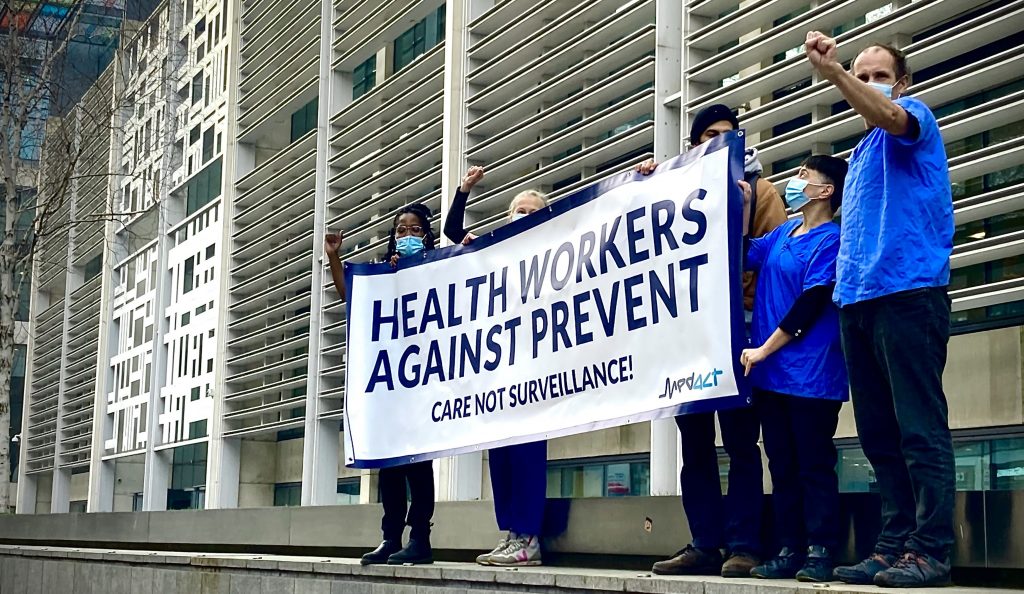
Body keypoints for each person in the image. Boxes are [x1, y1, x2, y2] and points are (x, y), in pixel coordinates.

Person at [805, 33, 955, 588]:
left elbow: (891, 116)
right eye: (860, 75)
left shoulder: (913, 117)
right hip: (859, 302)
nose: (867, 83)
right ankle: (894, 545)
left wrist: (836, 74)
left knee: (919, 427)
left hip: (909, 293)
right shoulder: (861, 153)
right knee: (877, 433)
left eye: (877, 75)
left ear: (903, 82)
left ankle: (932, 548)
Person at [640, 104, 788, 577]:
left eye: (726, 134)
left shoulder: (761, 192)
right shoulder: (675, 190)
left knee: (743, 442)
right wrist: (647, 183)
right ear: (693, 145)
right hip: (689, 336)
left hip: (739, 331)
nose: (717, 142)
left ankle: (744, 543)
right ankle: (704, 541)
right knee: (695, 444)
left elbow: (773, 259)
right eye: (707, 135)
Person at [739, 155, 849, 583]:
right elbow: (743, 254)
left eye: (805, 175)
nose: (795, 180)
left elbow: (812, 302)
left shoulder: (830, 240)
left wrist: (765, 348)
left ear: (825, 192)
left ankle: (821, 547)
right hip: (771, 376)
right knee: (781, 463)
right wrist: (742, 202)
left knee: (813, 462)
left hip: (810, 376)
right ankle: (790, 547)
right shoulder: (783, 232)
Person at [443, 165, 548, 567]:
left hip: (538, 370)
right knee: (501, 454)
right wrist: (463, 191)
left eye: (531, 210)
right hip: (500, 372)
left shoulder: (559, 246)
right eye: (517, 210)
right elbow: (455, 234)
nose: (522, 215)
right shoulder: (496, 252)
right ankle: (511, 534)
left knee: (526, 453)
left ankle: (530, 537)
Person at [324, 204, 439, 566]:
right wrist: (334, 258)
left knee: (419, 466)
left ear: (426, 235)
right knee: (390, 466)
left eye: (414, 230)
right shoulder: (382, 273)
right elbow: (350, 295)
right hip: (391, 388)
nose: (407, 236)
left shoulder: (438, 265)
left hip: (423, 383)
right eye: (401, 230)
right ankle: (391, 537)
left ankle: (420, 537)